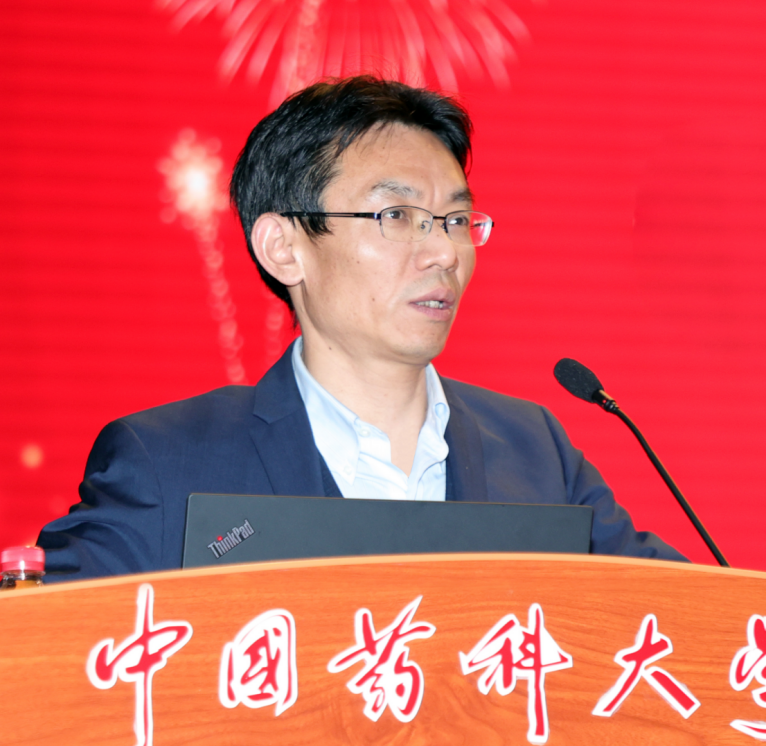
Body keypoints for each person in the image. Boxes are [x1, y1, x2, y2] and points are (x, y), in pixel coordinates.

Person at [36, 76, 684, 582]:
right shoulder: (170, 462)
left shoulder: (534, 450)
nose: (444, 252)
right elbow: (28, 648)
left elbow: (686, 627)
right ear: (283, 247)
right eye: (396, 215)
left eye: (456, 220)